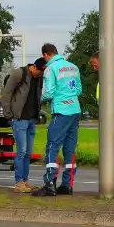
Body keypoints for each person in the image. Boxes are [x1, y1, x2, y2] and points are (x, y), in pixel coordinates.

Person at [32, 43, 82, 196]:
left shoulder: (50, 69)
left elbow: (49, 93)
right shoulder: (73, 67)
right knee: (69, 149)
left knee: (52, 147)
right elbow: (78, 89)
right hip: (75, 111)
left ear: (46, 55)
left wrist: (39, 100)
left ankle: (49, 184)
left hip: (61, 111)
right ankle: (67, 185)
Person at [0, 57, 46, 192]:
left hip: (32, 119)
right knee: (22, 151)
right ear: (35, 68)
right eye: (40, 73)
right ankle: (18, 182)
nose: (40, 76)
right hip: (19, 119)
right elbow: (6, 94)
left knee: (28, 153)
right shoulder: (19, 74)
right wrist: (9, 115)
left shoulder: (39, 78)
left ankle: (25, 181)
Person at [91, 53, 114, 195]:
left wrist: (110, 108)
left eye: (94, 63)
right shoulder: (108, 71)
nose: (93, 67)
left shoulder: (112, 70)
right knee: (112, 149)